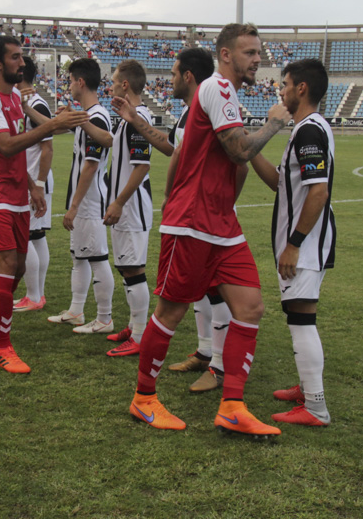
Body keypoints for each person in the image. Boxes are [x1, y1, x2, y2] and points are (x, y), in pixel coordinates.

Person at [127, 23, 290, 437]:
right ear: (225, 55)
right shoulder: (217, 89)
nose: (258, 60)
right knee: (171, 311)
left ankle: (232, 406)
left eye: (259, 53)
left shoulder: (224, 94)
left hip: (221, 225)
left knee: (250, 308)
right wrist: (273, 124)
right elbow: (239, 149)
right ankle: (144, 399)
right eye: (250, 52)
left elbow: (227, 162)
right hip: (193, 225)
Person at [114, 46, 234, 393]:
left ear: (188, 76)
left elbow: (235, 160)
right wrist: (135, 120)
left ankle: (221, 367)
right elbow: (172, 149)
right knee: (196, 288)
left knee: (219, 292)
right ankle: (205, 351)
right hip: (189, 215)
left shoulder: (212, 107)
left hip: (210, 214)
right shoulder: (187, 114)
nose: (168, 80)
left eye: (173, 73)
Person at [0, 35, 88, 374]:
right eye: (16, 58)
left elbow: (21, 148)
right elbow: (5, 145)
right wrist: (52, 124)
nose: (23, 63)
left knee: (18, 268)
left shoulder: (15, 99)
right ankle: (4, 349)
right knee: (6, 267)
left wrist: (34, 184)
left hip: (17, 192)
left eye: (22, 57)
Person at [248, 59, 335, 427]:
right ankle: (307, 387)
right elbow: (281, 184)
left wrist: (295, 243)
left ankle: (315, 407)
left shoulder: (309, 131)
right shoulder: (303, 130)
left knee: (301, 319)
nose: (280, 91)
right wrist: (250, 149)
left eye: (284, 84)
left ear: (301, 88)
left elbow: (319, 191)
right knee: (297, 316)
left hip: (306, 243)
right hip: (304, 241)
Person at [46, 58, 115, 333]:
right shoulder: (88, 116)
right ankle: (76, 310)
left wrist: (74, 206)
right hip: (85, 201)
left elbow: (90, 165)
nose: (69, 85)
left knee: (97, 258)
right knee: (80, 256)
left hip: (90, 202)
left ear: (81, 82)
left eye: (71, 80)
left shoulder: (95, 118)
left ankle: (105, 318)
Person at [98, 60, 154, 357]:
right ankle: (134, 326)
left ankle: (141, 336)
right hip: (125, 205)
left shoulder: (137, 118)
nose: (110, 85)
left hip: (131, 208)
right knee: (125, 266)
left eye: (114, 80)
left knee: (134, 269)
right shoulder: (127, 117)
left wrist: (119, 202)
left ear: (125, 85)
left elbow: (142, 165)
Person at [13, 55, 53, 313]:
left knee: (26, 237)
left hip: (33, 181)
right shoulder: (24, 101)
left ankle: (33, 295)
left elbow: (47, 148)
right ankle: (37, 294)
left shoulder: (36, 105)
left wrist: (37, 184)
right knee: (36, 237)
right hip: (29, 179)